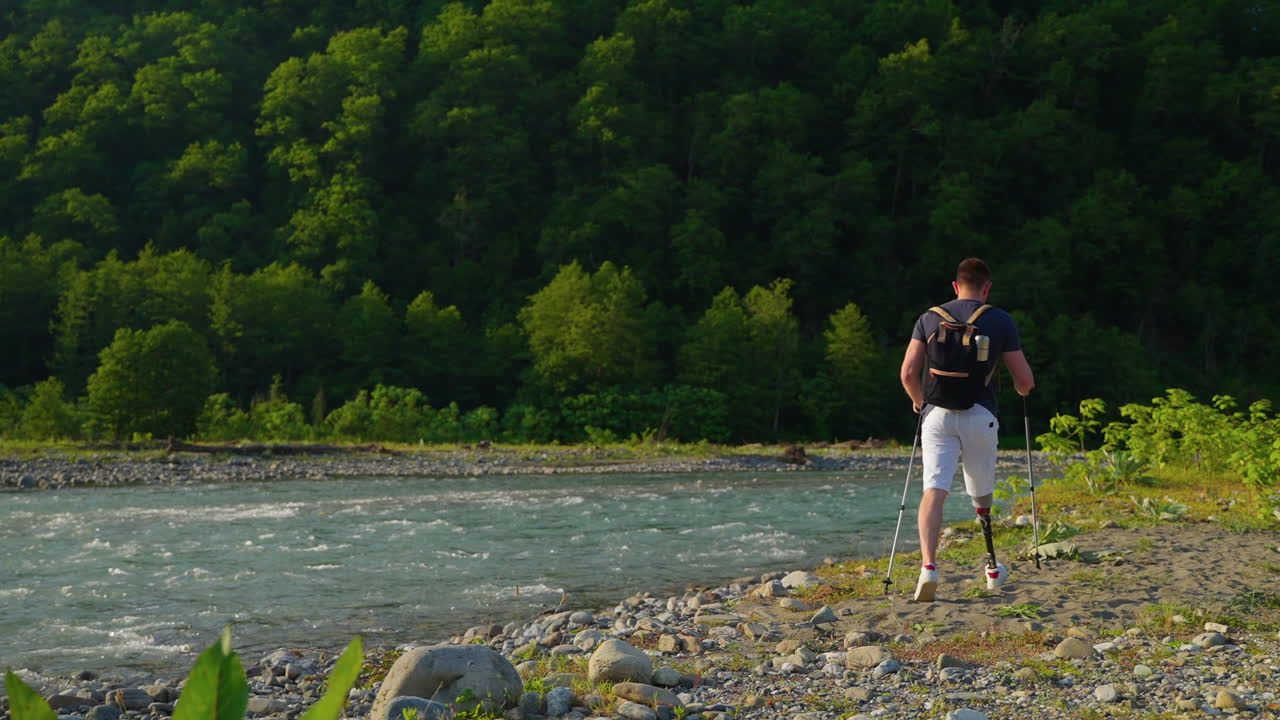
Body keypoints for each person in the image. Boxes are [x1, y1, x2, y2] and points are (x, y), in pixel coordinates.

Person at [898, 258, 1035, 602]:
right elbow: (1025, 382)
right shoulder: (1000, 320)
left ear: (955, 286)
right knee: (981, 494)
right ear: (987, 288)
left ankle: (928, 567)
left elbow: (907, 373)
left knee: (934, 490)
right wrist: (1021, 392)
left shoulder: (929, 318)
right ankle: (991, 569)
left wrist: (919, 402)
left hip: (937, 417)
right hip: (980, 415)